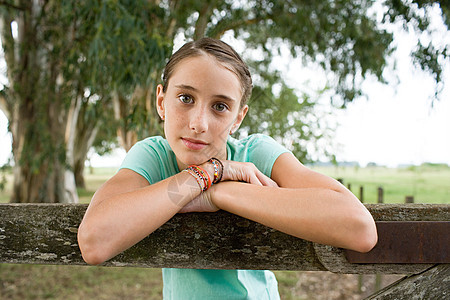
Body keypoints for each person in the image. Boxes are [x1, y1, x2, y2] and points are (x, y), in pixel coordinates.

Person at [77, 37, 377, 299]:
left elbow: (359, 229)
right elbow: (94, 242)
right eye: (185, 98)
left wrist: (219, 193)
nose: (198, 124)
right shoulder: (153, 156)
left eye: (220, 106)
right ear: (161, 101)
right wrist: (203, 176)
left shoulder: (256, 154)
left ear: (238, 117)